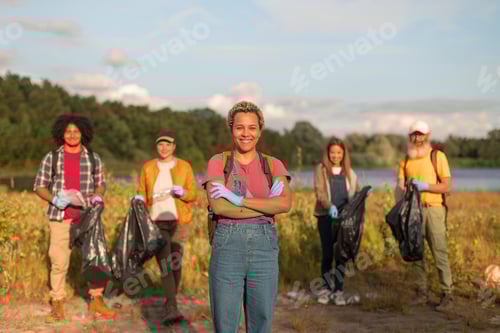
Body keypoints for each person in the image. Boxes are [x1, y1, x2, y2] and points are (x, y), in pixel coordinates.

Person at [204, 101, 292, 333]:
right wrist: (266, 206)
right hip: (227, 244)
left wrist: (239, 200)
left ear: (260, 130)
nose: (246, 133)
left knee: (261, 320)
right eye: (239, 127)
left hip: (264, 246)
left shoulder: (273, 165)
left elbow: (284, 203)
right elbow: (220, 207)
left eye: (252, 127)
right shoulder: (218, 162)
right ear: (231, 129)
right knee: (225, 323)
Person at [33, 114, 116, 322]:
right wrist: (55, 200)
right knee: (58, 261)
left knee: (94, 259)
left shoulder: (92, 158)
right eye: (68, 131)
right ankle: (58, 303)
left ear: (83, 133)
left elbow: (101, 182)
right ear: (62, 133)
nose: (72, 135)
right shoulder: (51, 157)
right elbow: (39, 186)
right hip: (60, 217)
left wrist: (98, 194)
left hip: (87, 217)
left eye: (76, 131)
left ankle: (96, 300)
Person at [135, 129, 197, 326]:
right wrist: (137, 199)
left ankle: (170, 303)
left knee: (176, 262)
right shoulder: (148, 167)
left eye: (168, 144)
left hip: (180, 221)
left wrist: (184, 192)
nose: (164, 147)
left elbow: (193, 193)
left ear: (174, 146)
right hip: (156, 221)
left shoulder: (185, 167)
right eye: (161, 144)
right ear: (157, 146)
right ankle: (171, 307)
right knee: (166, 263)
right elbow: (141, 192)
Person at [396, 120, 453, 311]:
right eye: (414, 134)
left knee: (440, 252)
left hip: (434, 209)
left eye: (421, 134)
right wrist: (402, 195)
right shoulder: (406, 159)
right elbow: (400, 186)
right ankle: (421, 293)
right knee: (415, 252)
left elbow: (446, 186)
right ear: (410, 136)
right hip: (413, 212)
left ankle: (447, 294)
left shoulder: (437, 156)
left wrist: (426, 187)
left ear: (427, 136)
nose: (418, 138)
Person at [313, 137, 360, 305]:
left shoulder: (350, 173)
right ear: (328, 153)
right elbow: (320, 192)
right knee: (327, 254)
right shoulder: (321, 170)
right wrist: (330, 205)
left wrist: (363, 195)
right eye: (332, 152)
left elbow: (357, 192)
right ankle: (325, 289)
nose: (335, 155)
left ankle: (338, 290)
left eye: (339, 152)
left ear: (343, 154)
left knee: (341, 255)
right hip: (326, 216)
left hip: (344, 219)